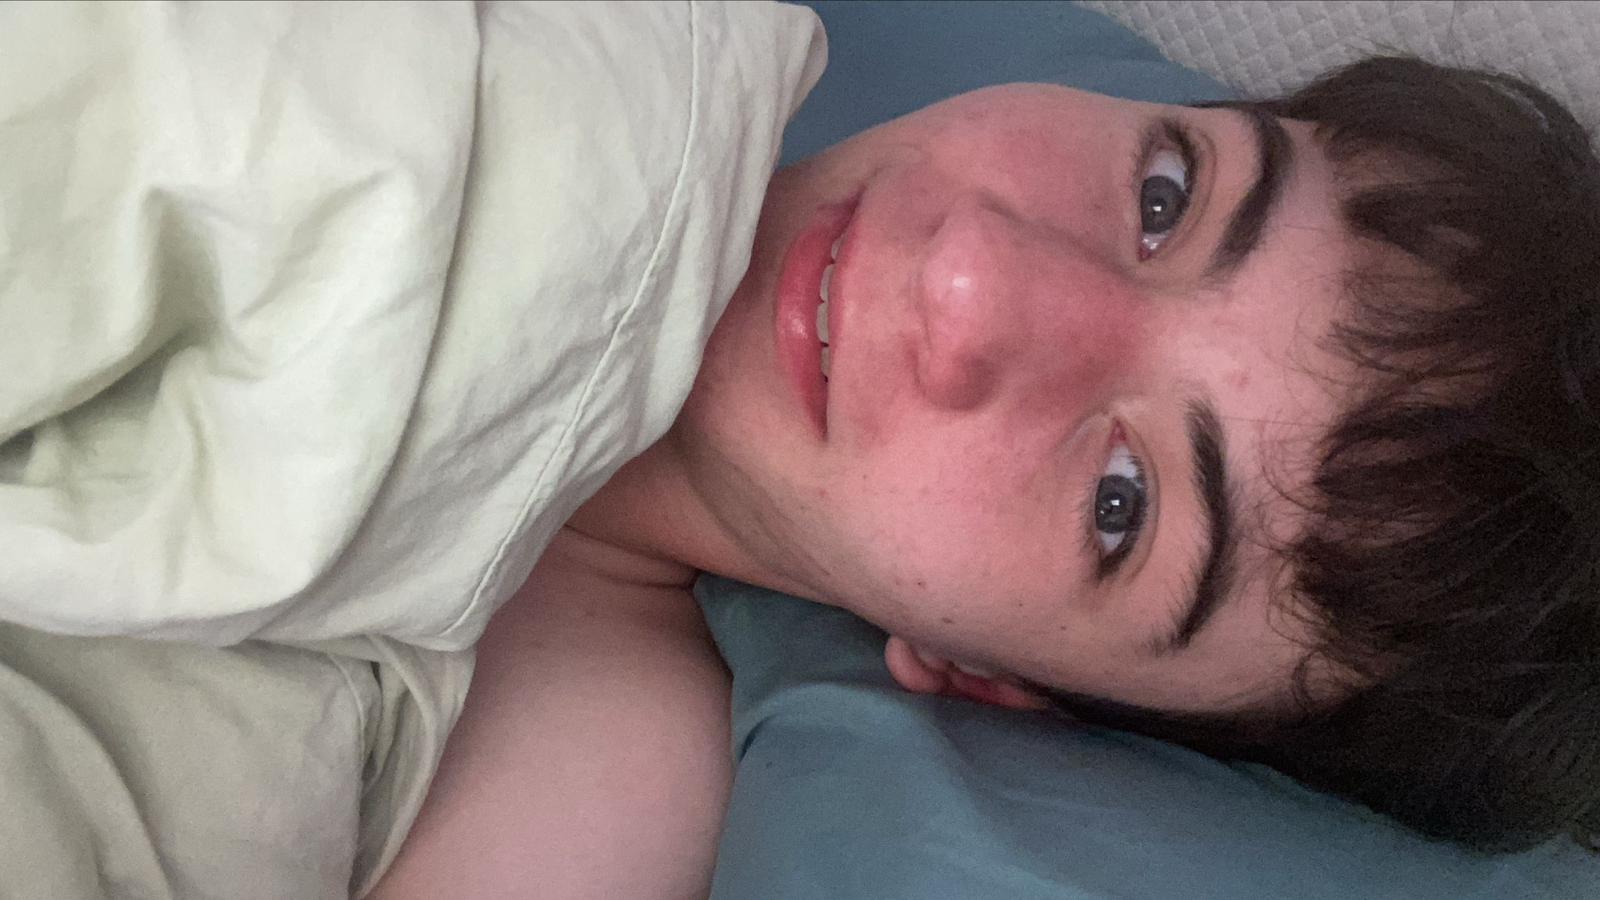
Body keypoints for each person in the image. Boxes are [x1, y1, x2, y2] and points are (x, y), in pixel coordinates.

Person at [2, 3, 1596, 898]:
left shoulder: (598, 790)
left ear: (996, 684)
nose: (971, 280)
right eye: (1167, 195)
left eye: (1123, 505)